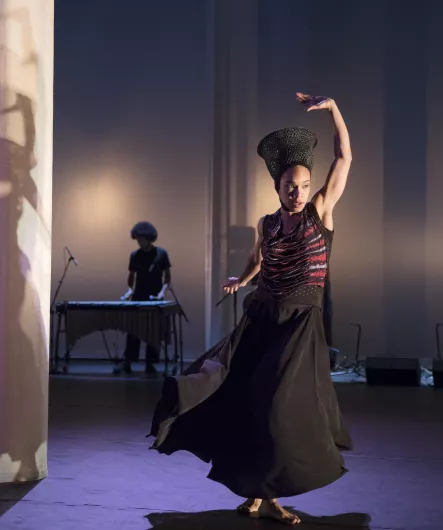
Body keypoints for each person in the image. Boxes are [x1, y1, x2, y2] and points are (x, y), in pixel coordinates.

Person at [149, 93, 353, 525]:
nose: (296, 193)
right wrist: (240, 280)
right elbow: (259, 258)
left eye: (302, 185)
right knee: (248, 398)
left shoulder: (321, 209)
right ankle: (262, 495)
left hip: (298, 322)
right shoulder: (269, 223)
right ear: (277, 187)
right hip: (262, 315)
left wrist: (333, 109)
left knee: (279, 405)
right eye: (288, 187)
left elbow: (344, 156)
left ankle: (271, 493)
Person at [117, 222, 171, 375]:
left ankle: (150, 364)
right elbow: (131, 277)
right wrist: (128, 291)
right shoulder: (134, 255)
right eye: (137, 239)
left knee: (153, 333)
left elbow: (167, 278)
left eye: (141, 239)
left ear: (149, 238)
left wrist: (161, 294)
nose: (138, 242)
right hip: (138, 298)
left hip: (154, 299)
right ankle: (128, 361)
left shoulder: (161, 254)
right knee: (134, 331)